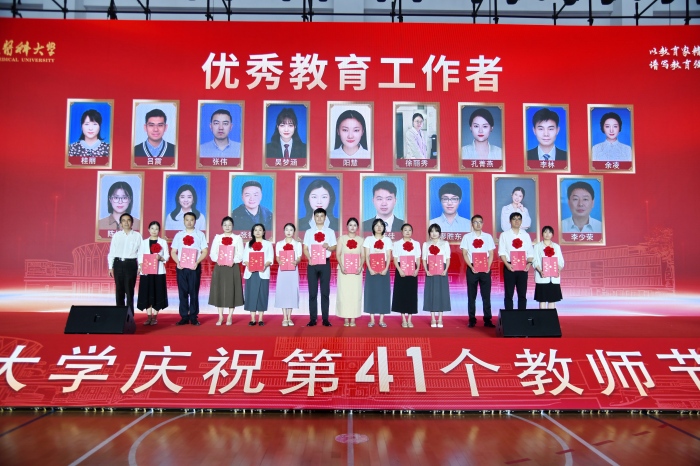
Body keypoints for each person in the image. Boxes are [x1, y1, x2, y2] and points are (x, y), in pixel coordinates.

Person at [170, 212, 209, 325]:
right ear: (183, 221)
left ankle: (193, 316)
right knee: (182, 293)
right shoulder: (179, 235)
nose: (189, 222)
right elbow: (173, 251)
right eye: (187, 220)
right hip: (181, 267)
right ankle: (184, 317)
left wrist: (197, 262)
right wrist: (178, 262)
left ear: (195, 221)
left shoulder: (200, 235)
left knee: (193, 292)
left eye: (191, 220)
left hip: (194, 267)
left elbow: (204, 251)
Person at [303, 208, 337, 327]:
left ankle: (325, 319)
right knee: (312, 293)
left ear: (325, 218)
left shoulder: (330, 232)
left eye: (322, 216)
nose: (319, 218)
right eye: (317, 216)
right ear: (314, 217)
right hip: (312, 264)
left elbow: (334, 247)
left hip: (325, 264)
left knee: (325, 292)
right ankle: (313, 319)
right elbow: (305, 248)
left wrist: (328, 247)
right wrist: (309, 259)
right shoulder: (308, 232)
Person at [460, 215, 496, 328]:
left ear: (483, 223)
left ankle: (487, 319)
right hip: (472, 268)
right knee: (472, 295)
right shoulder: (467, 237)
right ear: (472, 224)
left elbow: (491, 253)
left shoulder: (488, 237)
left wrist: (488, 266)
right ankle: (472, 319)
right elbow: (464, 253)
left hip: (485, 269)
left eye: (480, 222)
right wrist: (471, 266)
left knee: (486, 295)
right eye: (475, 222)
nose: (478, 224)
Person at [208, 216, 244, 326]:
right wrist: (217, 259)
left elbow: (240, 254)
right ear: (222, 226)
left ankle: (229, 316)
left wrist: (233, 261)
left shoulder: (237, 238)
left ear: (233, 226)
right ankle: (220, 316)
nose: (227, 227)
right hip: (220, 267)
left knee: (231, 291)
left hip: (232, 267)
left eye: (229, 225)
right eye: (225, 225)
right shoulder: (217, 238)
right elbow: (213, 253)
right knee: (219, 290)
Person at [498, 212, 534, 310]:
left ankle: (522, 315)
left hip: (523, 267)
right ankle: (509, 316)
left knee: (522, 294)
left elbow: (530, 252)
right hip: (509, 266)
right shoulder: (504, 235)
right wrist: (507, 265)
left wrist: (529, 264)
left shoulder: (526, 235)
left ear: (521, 221)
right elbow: (502, 252)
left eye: (519, 219)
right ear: (510, 221)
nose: (517, 221)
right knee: (509, 293)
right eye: (514, 219)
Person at [137, 221, 169, 325]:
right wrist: (140, 265)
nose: (154, 231)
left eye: (156, 229)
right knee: (147, 293)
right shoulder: (144, 242)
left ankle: (155, 317)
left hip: (159, 272)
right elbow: (140, 255)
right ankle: (148, 317)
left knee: (157, 293)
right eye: (152, 228)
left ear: (159, 230)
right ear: (148, 230)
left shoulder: (163, 242)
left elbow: (167, 256)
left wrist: (161, 258)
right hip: (146, 271)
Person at [107, 213, 141, 312]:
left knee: (129, 291)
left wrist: (140, 265)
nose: (126, 222)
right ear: (120, 223)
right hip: (118, 264)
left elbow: (140, 252)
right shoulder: (117, 236)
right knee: (119, 290)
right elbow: (112, 252)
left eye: (128, 220)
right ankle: (119, 314)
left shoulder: (137, 236)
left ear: (132, 223)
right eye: (123, 220)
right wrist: (110, 267)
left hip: (131, 264)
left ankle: (129, 315)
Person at [242, 223, 274, 326]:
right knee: (251, 295)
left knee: (262, 294)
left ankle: (260, 318)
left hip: (263, 272)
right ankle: (252, 319)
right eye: (255, 230)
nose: (258, 232)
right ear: (253, 232)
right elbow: (245, 258)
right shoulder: (248, 244)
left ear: (264, 232)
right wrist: (249, 265)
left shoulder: (268, 244)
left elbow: (270, 258)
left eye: (260, 230)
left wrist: (264, 265)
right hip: (251, 273)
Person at [364, 218, 393, 327]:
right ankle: (372, 319)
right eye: (377, 225)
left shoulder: (387, 240)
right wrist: (370, 268)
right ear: (373, 227)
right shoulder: (368, 239)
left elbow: (389, 256)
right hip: (371, 269)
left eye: (381, 225)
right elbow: (367, 256)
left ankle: (381, 320)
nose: (379, 227)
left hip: (383, 269)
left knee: (383, 293)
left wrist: (386, 269)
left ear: (384, 227)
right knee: (371, 293)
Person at [335, 217, 364, 327]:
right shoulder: (342, 239)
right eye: (350, 225)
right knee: (344, 294)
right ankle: (345, 317)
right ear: (347, 226)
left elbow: (363, 255)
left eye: (354, 225)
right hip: (344, 271)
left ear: (357, 227)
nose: (352, 227)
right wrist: (342, 266)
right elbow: (338, 254)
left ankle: (353, 317)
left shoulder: (361, 240)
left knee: (355, 294)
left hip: (356, 271)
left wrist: (360, 266)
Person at [422, 223, 451, 328]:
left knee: (441, 293)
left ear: (439, 233)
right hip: (430, 271)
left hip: (442, 270)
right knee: (431, 293)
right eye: (432, 231)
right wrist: (426, 270)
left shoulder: (445, 243)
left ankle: (440, 318)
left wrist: (445, 270)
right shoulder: (426, 244)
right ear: (429, 233)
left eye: (436, 231)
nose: (434, 233)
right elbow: (424, 259)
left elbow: (447, 258)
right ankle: (433, 318)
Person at [391, 223, 420, 328]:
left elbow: (418, 258)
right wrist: (399, 270)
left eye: (409, 230)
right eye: (405, 230)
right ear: (402, 232)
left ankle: (410, 319)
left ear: (412, 232)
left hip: (412, 270)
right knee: (401, 294)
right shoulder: (397, 244)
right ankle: (403, 319)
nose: (407, 232)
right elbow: (395, 259)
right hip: (401, 270)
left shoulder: (416, 244)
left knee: (411, 294)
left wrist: (417, 269)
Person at [275, 223, 302, 326]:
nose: (289, 232)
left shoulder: (297, 244)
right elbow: (277, 256)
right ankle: (284, 317)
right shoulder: (279, 244)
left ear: (294, 232)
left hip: (293, 270)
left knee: (291, 292)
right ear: (284, 231)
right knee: (283, 292)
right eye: (287, 229)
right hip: (282, 271)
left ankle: (289, 317)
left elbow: (299, 257)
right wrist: (279, 261)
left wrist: (296, 262)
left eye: (291, 230)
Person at [532, 226, 565, 309]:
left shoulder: (556, 246)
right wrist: (540, 270)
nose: (547, 234)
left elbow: (561, 261)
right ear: (542, 234)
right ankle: (542, 316)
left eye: (549, 232)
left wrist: (558, 270)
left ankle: (551, 316)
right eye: (545, 232)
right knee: (542, 300)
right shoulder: (537, 246)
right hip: (542, 277)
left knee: (552, 300)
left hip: (553, 278)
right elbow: (534, 261)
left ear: (552, 234)